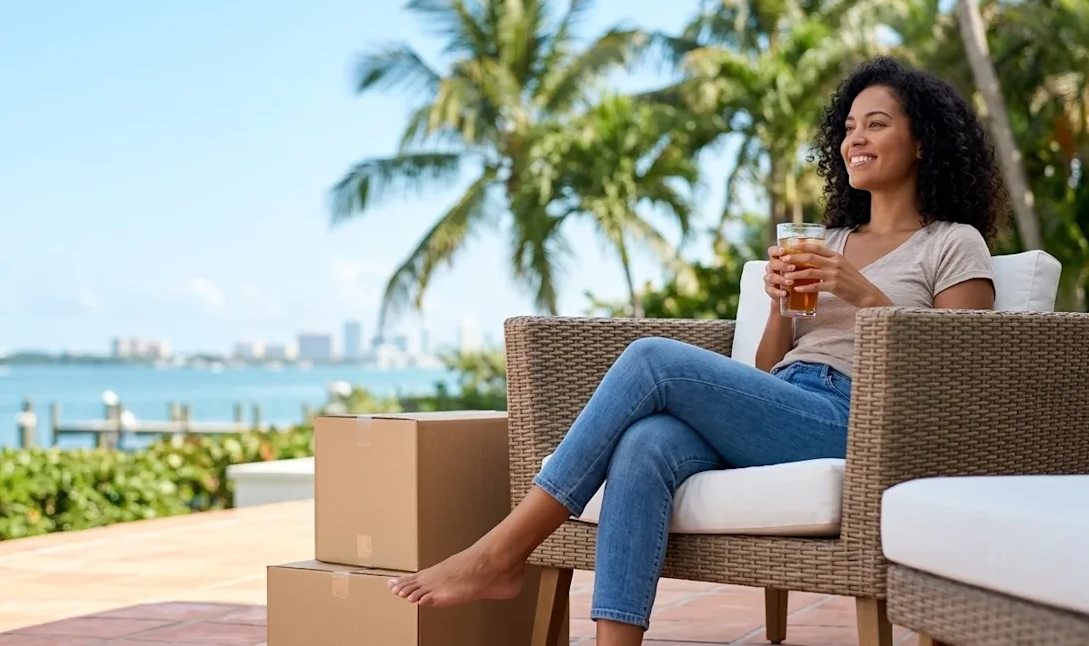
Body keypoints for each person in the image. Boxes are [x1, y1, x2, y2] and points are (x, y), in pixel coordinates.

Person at [387, 55, 1004, 646]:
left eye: (877, 124)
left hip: (862, 423)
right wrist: (784, 310)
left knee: (653, 358)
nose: (854, 140)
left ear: (922, 141)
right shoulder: (830, 239)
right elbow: (767, 371)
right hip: (788, 400)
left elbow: (958, 370)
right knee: (644, 442)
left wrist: (861, 293)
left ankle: (501, 552)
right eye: (847, 128)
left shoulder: (952, 244)